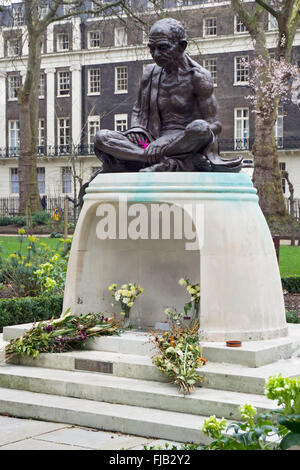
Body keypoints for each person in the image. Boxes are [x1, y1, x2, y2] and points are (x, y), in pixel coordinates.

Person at [94, 17, 242, 173]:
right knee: (101, 137)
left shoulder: (198, 77)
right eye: (152, 48)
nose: (156, 54)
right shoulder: (149, 73)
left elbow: (214, 125)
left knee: (201, 128)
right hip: (148, 143)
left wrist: (166, 141)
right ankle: (152, 159)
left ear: (181, 46)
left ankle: (160, 159)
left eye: (163, 47)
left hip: (183, 142)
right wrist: (139, 136)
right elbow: (138, 112)